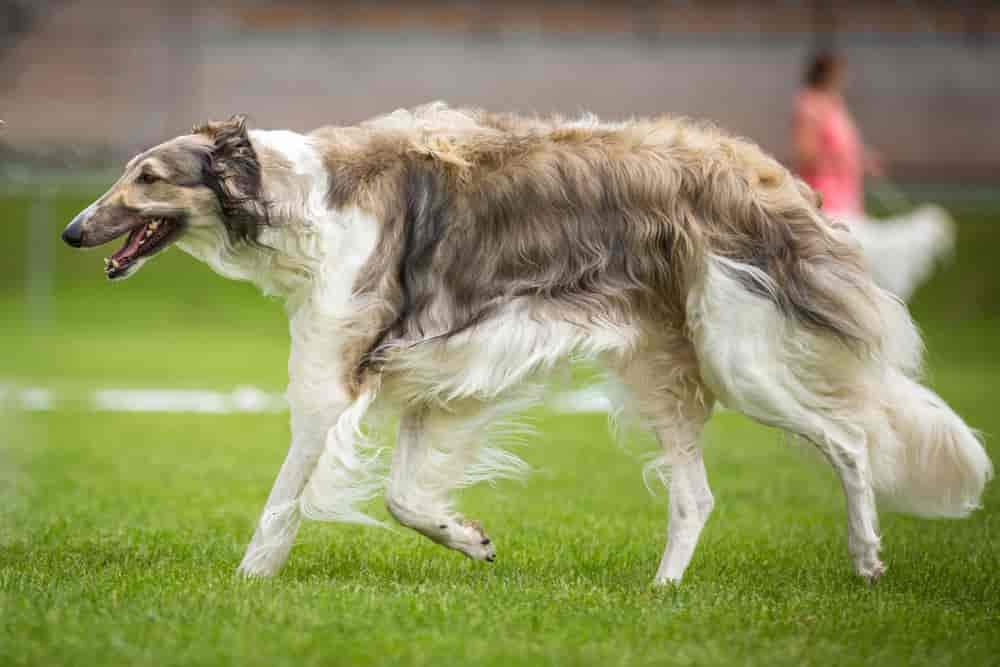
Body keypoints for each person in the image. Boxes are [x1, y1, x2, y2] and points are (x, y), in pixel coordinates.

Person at [793, 52, 954, 301]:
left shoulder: (835, 104)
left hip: (847, 193)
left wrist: (862, 160)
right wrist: (846, 162)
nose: (842, 79)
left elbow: (844, 147)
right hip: (826, 196)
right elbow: (806, 155)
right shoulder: (810, 106)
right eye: (838, 73)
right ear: (825, 74)